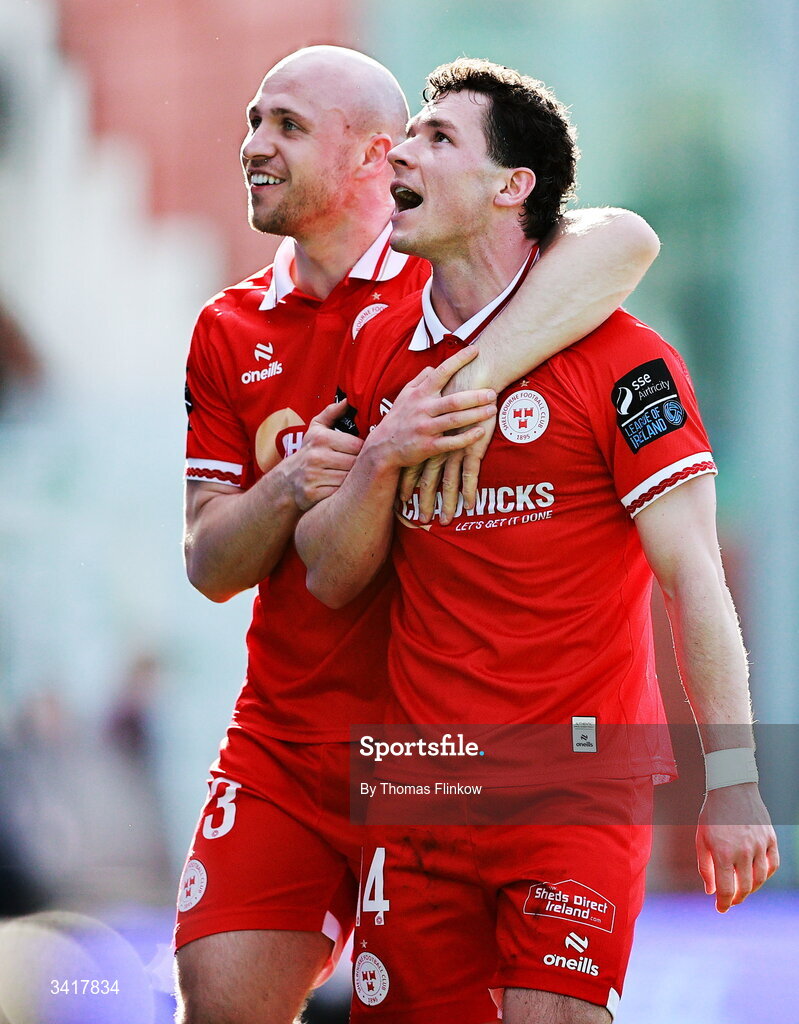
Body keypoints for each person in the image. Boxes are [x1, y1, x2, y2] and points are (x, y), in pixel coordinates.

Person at [175, 44, 661, 1024]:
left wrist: (467, 375)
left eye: (287, 127)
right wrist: (290, 486)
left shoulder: (446, 279)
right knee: (219, 995)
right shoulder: (228, 326)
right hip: (290, 736)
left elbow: (623, 239)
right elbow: (208, 564)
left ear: (375, 155)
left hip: (449, 751)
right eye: (252, 121)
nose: (252, 147)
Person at [296, 57, 780, 1024]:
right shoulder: (381, 352)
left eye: (440, 138)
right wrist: (380, 461)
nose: (405, 150)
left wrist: (734, 783)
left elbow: (693, 578)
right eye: (409, 133)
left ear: (512, 186)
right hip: (419, 780)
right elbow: (330, 578)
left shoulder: (624, 361)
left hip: (570, 781)